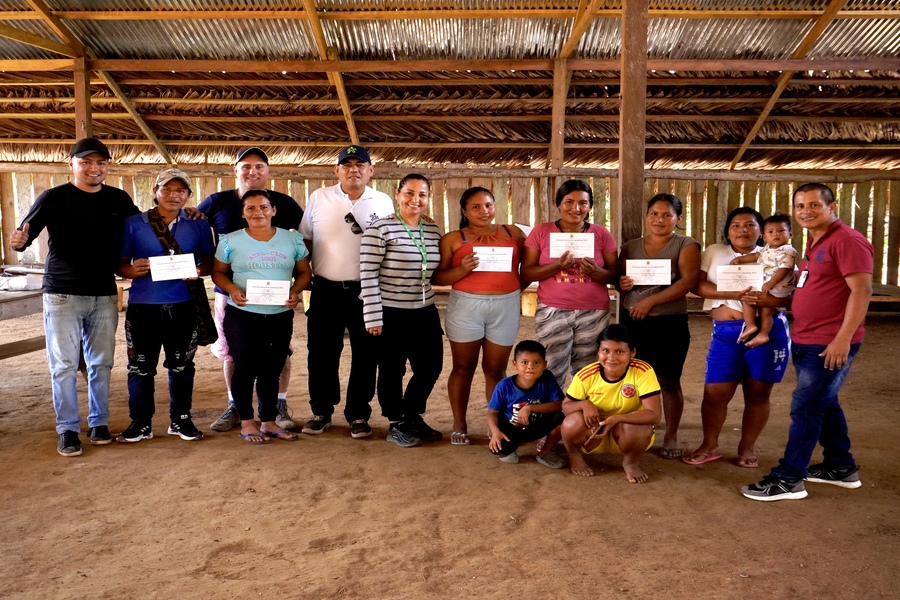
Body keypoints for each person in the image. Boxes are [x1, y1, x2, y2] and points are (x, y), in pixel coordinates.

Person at [741, 183, 873, 501]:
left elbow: (862, 291)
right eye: (800, 206)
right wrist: (771, 300)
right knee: (825, 403)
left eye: (814, 205)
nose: (806, 211)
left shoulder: (848, 241)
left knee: (805, 409)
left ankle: (789, 478)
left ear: (832, 206)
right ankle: (840, 466)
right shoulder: (814, 244)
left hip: (829, 342)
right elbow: (811, 291)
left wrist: (842, 339)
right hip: (806, 338)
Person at [11, 137, 139, 457]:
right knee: (64, 364)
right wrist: (17, 241)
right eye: (86, 162)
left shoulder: (118, 199)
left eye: (100, 163)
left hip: (104, 294)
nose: (94, 168)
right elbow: (22, 238)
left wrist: (181, 218)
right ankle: (67, 429)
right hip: (62, 294)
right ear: (72, 164)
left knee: (102, 363)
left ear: (107, 167)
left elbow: (143, 229)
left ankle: (99, 423)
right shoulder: (53, 198)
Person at [198, 147, 304, 433]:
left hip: (277, 300)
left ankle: (278, 405)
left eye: (259, 166)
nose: (252, 172)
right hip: (230, 297)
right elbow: (190, 223)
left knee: (279, 355)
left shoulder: (285, 204)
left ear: (267, 171)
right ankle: (236, 405)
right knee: (234, 354)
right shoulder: (217, 202)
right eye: (246, 166)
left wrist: (297, 287)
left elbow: (307, 236)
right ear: (235, 170)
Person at [299, 145, 394, 439]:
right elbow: (304, 241)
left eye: (360, 164)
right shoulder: (319, 197)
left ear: (370, 170)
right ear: (336, 170)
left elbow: (393, 240)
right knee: (321, 352)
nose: (354, 169)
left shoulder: (383, 201)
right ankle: (321, 411)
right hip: (325, 288)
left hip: (367, 291)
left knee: (366, 353)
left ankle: (358, 414)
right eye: (347, 164)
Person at [683, 207, 790, 468]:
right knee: (715, 392)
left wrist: (770, 299)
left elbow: (794, 290)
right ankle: (709, 445)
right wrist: (733, 293)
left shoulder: (778, 256)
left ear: (762, 231)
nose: (743, 230)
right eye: (736, 225)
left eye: (750, 225)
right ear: (727, 231)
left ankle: (747, 447)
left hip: (769, 329)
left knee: (758, 392)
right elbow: (697, 285)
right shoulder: (715, 252)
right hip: (726, 333)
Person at [116, 169, 215, 443]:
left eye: (181, 190)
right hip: (143, 305)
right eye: (167, 189)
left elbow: (208, 261)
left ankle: (181, 419)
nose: (174, 195)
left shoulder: (197, 224)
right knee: (140, 367)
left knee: (182, 366)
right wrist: (131, 269)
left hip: (183, 304)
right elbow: (121, 262)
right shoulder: (134, 223)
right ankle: (141, 422)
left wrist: (197, 270)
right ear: (155, 190)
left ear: (189, 195)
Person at [212, 189, 312, 444]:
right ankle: (247, 421)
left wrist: (295, 292)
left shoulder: (292, 241)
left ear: (274, 210)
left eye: (264, 207)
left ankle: (268, 420)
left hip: (279, 314)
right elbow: (218, 273)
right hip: (243, 314)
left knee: (272, 368)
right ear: (243, 213)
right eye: (251, 208)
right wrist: (233, 290)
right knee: (244, 368)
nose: (258, 212)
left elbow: (304, 272)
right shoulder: (230, 241)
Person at [433, 186, 526, 446]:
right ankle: (459, 423)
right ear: (464, 211)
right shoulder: (453, 239)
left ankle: (494, 423)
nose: (484, 211)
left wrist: (516, 289)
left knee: (495, 369)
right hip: (466, 307)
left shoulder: (513, 233)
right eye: (476, 207)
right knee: (463, 367)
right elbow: (438, 277)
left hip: (505, 306)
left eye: (488, 205)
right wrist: (461, 270)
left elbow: (527, 266)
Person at [360, 174, 444, 447]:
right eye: (409, 193)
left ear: (428, 198)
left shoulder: (432, 231)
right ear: (397, 194)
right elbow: (368, 273)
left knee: (430, 366)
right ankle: (396, 422)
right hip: (390, 311)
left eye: (422, 194)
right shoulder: (380, 229)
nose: (415, 199)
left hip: (424, 309)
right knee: (391, 369)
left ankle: (412, 415)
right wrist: (373, 316)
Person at [617, 193, 700, 460]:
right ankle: (634, 428)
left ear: (678, 219)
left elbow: (688, 282)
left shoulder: (686, 245)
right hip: (632, 323)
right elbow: (619, 281)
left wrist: (651, 301)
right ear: (646, 215)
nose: (659, 219)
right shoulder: (631, 247)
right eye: (654, 213)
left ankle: (671, 435)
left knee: (668, 380)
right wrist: (623, 285)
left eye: (667, 215)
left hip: (669, 323)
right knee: (633, 379)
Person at [521, 179, 619, 390]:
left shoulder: (601, 234)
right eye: (569, 202)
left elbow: (614, 275)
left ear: (590, 206)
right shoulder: (541, 232)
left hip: (593, 311)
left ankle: (580, 417)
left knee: (587, 369)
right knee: (552, 366)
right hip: (552, 310)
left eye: (583, 203)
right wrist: (556, 266)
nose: (576, 208)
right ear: (559, 204)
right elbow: (527, 271)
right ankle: (553, 416)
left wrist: (595, 272)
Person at [560, 324, 661, 482]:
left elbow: (654, 415)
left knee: (640, 427)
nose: (611, 358)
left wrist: (617, 419)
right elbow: (566, 407)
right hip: (593, 435)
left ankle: (630, 462)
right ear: (598, 352)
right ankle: (574, 455)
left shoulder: (643, 371)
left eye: (619, 351)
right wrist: (584, 404)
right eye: (605, 350)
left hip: (626, 434)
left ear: (632, 352)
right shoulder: (586, 375)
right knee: (571, 422)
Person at [486, 340, 566, 468]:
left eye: (536, 362)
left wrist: (530, 408)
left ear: (545, 364)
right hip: (511, 428)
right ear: (514, 364)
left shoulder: (546, 378)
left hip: (535, 426)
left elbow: (560, 404)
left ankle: (545, 451)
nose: (530, 366)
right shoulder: (504, 385)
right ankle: (510, 445)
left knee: (561, 417)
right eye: (524, 362)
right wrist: (495, 432)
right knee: (499, 449)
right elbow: (492, 412)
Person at [730, 214, 797, 348]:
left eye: (781, 231)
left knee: (760, 306)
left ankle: (761, 332)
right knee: (756, 305)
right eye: (771, 232)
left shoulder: (788, 250)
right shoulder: (767, 249)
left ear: (790, 234)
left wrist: (771, 283)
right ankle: (753, 327)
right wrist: (741, 259)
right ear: (764, 236)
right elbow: (756, 255)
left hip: (779, 287)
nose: (775, 234)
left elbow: (784, 269)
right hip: (769, 285)